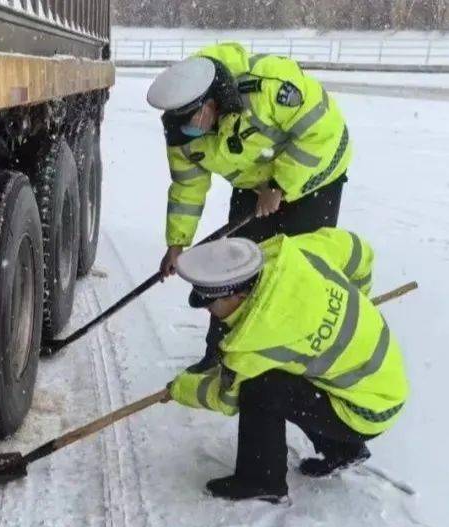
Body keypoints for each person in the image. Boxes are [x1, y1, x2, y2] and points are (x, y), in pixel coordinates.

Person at [162, 230, 409, 502]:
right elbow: (357, 249)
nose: (208, 310)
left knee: (261, 388)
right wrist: (355, 296)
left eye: (212, 303)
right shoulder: (296, 255)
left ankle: (260, 480)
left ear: (240, 296)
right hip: (386, 379)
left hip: (367, 411)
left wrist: (178, 389)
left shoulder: (253, 340)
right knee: (291, 374)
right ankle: (343, 449)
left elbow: (226, 396)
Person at [147, 43, 352, 369]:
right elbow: (188, 187)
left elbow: (322, 133)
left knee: (301, 264)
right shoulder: (183, 132)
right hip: (255, 186)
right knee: (233, 270)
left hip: (316, 178)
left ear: (211, 102)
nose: (188, 130)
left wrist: (281, 185)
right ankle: (222, 357)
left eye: (193, 121)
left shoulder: (268, 85)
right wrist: (177, 244)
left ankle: (295, 358)